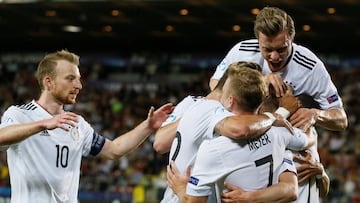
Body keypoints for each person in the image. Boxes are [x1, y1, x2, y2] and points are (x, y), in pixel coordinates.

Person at [209, 6, 347, 202]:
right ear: (258, 40)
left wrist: (317, 114)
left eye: (282, 49)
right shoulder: (242, 51)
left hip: (290, 142)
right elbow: (215, 86)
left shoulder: (310, 66)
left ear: (292, 39)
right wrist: (259, 80)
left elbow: (341, 120)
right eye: (267, 49)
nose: (274, 57)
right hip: (250, 138)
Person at [0, 50, 174, 203]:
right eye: (70, 79)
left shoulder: (77, 124)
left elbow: (114, 150)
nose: (78, 85)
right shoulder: (19, 114)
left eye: (78, 79)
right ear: (48, 83)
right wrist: (44, 123)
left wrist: (148, 126)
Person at [157, 62, 301, 203]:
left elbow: (159, 144)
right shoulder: (218, 113)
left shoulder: (191, 103)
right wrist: (277, 115)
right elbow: (242, 128)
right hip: (183, 196)